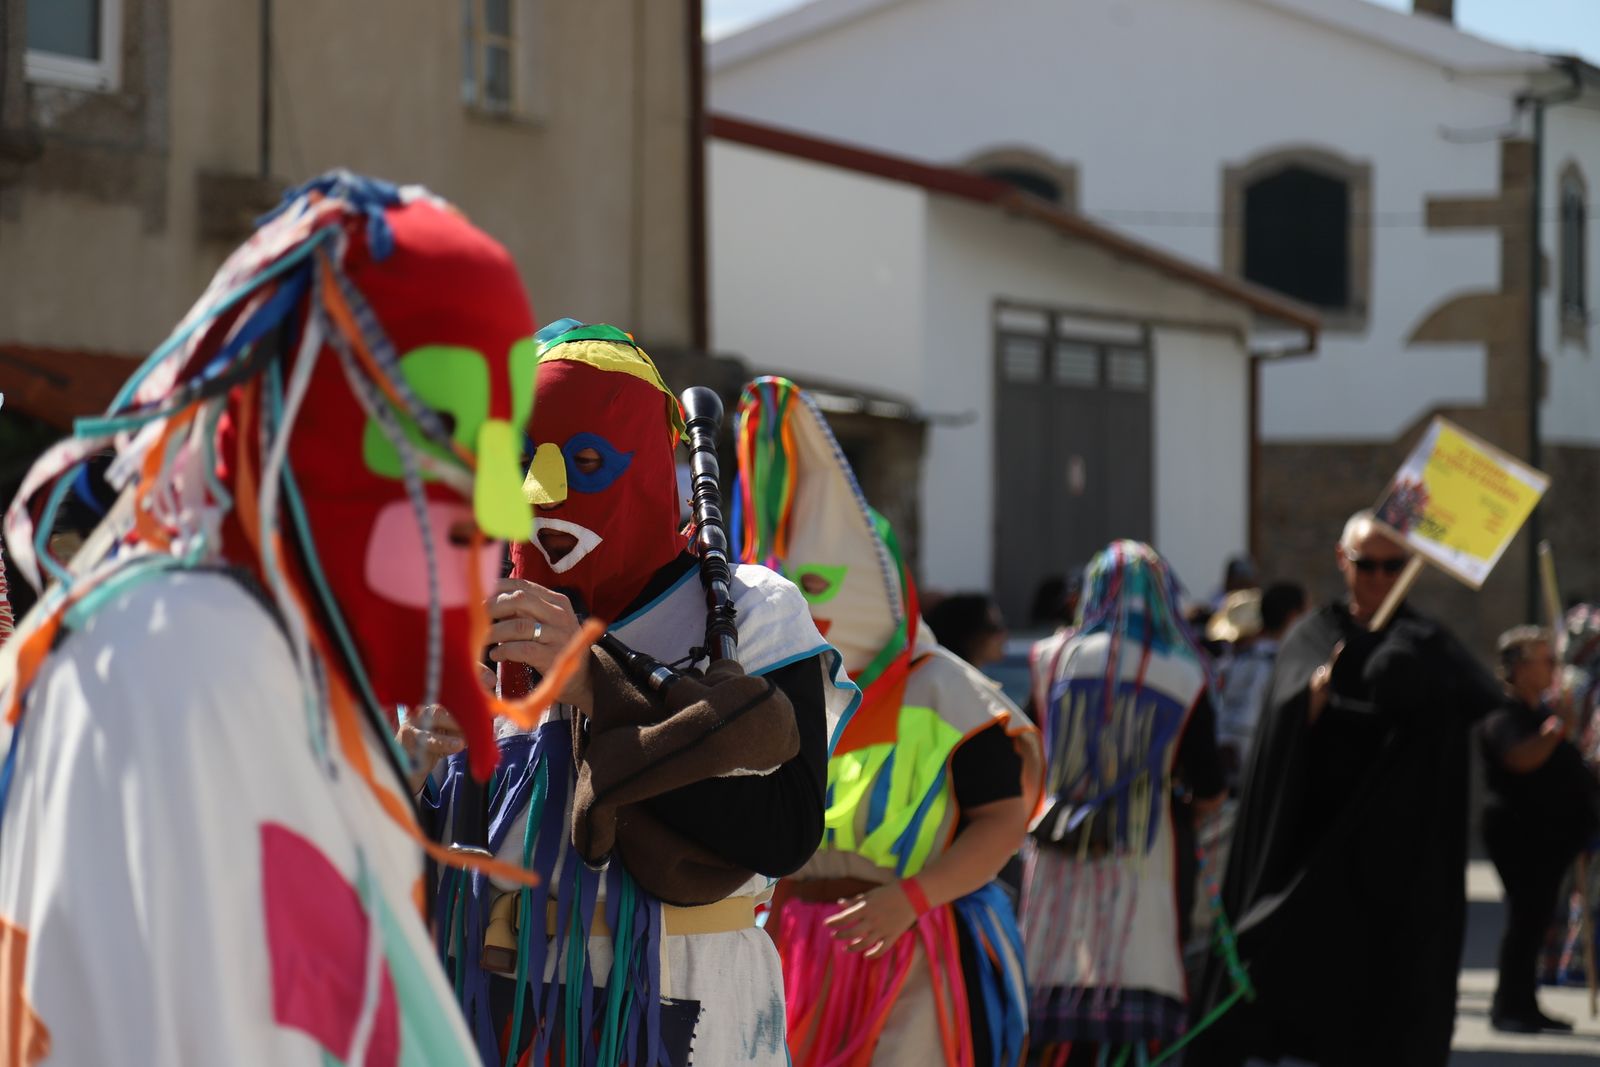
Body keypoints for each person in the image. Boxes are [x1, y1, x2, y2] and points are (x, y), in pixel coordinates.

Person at [0, 173, 540, 1063]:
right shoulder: (184, 662)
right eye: (443, 423)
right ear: (304, 420)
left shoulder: (275, 658)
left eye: (502, 439)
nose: (505, 511)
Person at [418, 324, 855, 1066]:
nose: (544, 493)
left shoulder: (750, 609)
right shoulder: (476, 623)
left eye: (586, 461)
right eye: (522, 463)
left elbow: (784, 830)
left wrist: (598, 683)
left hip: (688, 1003)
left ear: (653, 466)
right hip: (498, 1012)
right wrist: (411, 776)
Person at [733, 376, 1041, 1067]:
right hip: (798, 950)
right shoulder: (776, 689)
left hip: (916, 953)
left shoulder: (949, 691)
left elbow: (1002, 818)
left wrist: (912, 897)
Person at [1187, 510, 1502, 1067]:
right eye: (1366, 564)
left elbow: (1477, 699)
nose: (1379, 578)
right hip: (1309, 863)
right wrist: (1308, 704)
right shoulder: (1313, 637)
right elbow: (1279, 729)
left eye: (1392, 566)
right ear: (1342, 560)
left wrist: (1402, 674)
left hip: (1395, 871)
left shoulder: (1425, 641)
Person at [1024, 540, 1226, 1063]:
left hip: (1056, 848)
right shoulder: (1184, 674)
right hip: (1145, 856)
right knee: (1138, 981)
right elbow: (1208, 784)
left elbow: (1025, 750)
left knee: (1053, 979)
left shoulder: (1052, 659)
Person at [1480, 626, 1600, 1033]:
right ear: (1518, 668)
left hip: (1551, 835)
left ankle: (1523, 1001)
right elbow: (1521, 758)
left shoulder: (1542, 712)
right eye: (1545, 660)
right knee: (1525, 918)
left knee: (1536, 919)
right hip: (1520, 833)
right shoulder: (1503, 712)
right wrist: (1554, 732)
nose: (1553, 668)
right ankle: (1508, 1005)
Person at [1212, 582, 1307, 789]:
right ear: (1294, 617)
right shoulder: (1284, 668)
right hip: (1257, 777)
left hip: (1225, 771)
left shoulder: (1234, 664)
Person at [927, 591, 1009, 670]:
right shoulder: (956, 679)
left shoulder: (944, 673)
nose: (1004, 634)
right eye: (994, 628)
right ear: (969, 635)